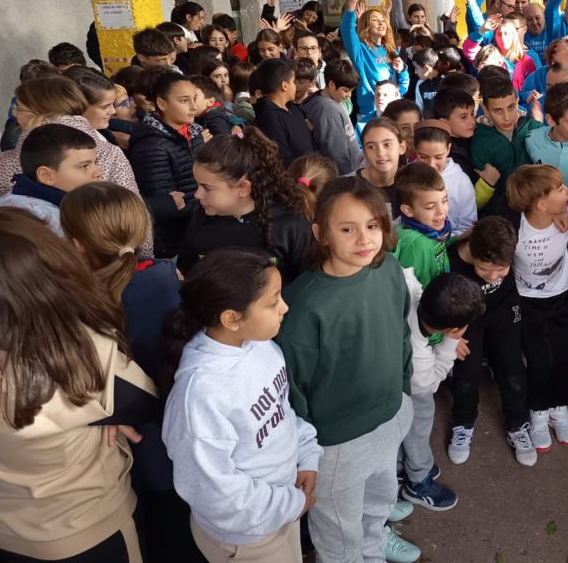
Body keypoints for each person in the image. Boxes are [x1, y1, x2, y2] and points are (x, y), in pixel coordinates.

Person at [0, 208, 157, 562]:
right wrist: (107, 413)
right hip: (91, 528)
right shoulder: (83, 351)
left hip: (3, 530)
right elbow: (144, 401)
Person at [277, 177, 419, 563]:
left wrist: (403, 393)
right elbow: (293, 389)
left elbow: (401, 332)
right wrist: (308, 454)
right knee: (340, 535)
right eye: (347, 229)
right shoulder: (304, 304)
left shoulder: (389, 268)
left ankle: (375, 552)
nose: (364, 239)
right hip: (337, 445)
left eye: (372, 225)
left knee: (378, 507)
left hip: (390, 418)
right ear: (321, 234)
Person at [60, 182, 203, 562]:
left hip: (128, 453)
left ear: (75, 244)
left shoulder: (71, 303)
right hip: (188, 442)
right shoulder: (172, 280)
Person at [161, 249, 320, 563]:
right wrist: (290, 504)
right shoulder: (201, 395)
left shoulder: (261, 345)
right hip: (247, 538)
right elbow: (216, 493)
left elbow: (281, 412)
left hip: (278, 509)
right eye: (273, 302)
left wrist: (306, 455)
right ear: (232, 318)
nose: (285, 307)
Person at [447, 217, 536, 466]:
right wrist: (449, 336)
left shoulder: (509, 245)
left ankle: (518, 424)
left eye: (502, 269)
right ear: (472, 251)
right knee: (467, 370)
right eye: (484, 269)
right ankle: (463, 422)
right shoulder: (451, 261)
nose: (493, 276)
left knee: (512, 367)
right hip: (467, 319)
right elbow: (441, 301)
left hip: (504, 309)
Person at [505, 165, 568, 451]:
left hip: (562, 298)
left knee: (567, 359)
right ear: (540, 204)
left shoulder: (567, 214)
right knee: (540, 361)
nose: (567, 190)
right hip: (528, 302)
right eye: (560, 189)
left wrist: (559, 211)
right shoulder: (515, 227)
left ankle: (559, 407)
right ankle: (538, 410)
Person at [180, 129, 313, 284]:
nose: (197, 194)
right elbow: (188, 271)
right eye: (197, 185)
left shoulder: (290, 225)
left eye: (206, 188)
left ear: (243, 188)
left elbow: (306, 283)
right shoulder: (201, 220)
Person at [0, 76, 142, 210]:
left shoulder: (4, 164)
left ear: (36, 113)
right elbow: (135, 211)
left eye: (19, 109)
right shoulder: (111, 152)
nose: (15, 114)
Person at [400, 273, 485, 513]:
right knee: (418, 421)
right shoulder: (417, 357)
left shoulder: (407, 283)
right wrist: (450, 343)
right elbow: (430, 384)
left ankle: (406, 466)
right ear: (453, 329)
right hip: (405, 389)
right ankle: (417, 480)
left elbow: (409, 277)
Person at [128, 73, 204, 258]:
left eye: (194, 99)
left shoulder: (194, 132)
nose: (193, 107)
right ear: (162, 104)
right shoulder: (151, 144)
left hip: (198, 225)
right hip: (175, 240)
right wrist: (212, 203)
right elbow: (167, 202)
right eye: (184, 100)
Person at [0, 124, 101, 235]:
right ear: (46, 176)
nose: (98, 172)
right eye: (84, 166)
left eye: (96, 163)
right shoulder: (36, 219)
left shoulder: (69, 203)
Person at [472, 75, 540, 215]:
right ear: (485, 109)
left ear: (517, 101)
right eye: (498, 110)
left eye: (511, 107)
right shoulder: (479, 142)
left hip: (538, 208)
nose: (507, 117)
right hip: (501, 214)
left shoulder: (534, 129)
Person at [342, 0, 407, 120]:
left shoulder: (389, 49)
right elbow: (347, 30)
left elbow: (403, 85)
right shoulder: (360, 50)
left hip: (394, 112)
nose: (381, 23)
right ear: (366, 25)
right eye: (375, 20)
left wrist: (402, 70)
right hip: (370, 114)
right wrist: (353, 1)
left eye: (382, 20)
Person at [391, 162, 453, 289]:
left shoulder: (430, 230)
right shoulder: (418, 245)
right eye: (430, 207)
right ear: (408, 210)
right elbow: (420, 292)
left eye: (444, 200)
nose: (441, 211)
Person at [412, 121, 477, 234]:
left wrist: (444, 240)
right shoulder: (407, 174)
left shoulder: (461, 182)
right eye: (423, 157)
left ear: (448, 149)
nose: (431, 164)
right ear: (415, 150)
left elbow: (467, 226)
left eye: (438, 157)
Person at [301, 58, 362, 175]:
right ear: (331, 84)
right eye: (345, 90)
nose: (349, 95)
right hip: (345, 174)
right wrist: (347, 176)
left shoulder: (325, 100)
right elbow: (336, 152)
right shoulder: (328, 111)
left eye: (351, 91)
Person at [252, 58, 314, 167]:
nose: (296, 86)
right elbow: (282, 159)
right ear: (284, 85)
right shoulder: (269, 117)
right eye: (293, 82)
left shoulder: (293, 109)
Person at [355, 117, 407, 218]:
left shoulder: (413, 183)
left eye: (387, 144)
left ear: (402, 147)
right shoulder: (347, 187)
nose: (380, 153)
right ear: (364, 152)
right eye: (371, 147)